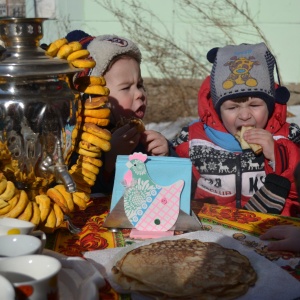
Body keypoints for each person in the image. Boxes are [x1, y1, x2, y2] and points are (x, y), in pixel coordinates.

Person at [172, 42, 300, 217]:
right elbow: (172, 183)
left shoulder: (288, 138)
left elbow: (296, 197)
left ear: (270, 106)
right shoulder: (193, 140)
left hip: (270, 231)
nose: (245, 115)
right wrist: (163, 152)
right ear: (218, 111)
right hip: (212, 232)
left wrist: (279, 157)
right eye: (232, 108)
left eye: (255, 105)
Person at [65, 30, 175, 193]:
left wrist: (167, 154)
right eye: (125, 88)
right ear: (94, 95)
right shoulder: (77, 142)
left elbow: (167, 186)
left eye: (139, 85)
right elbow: (76, 191)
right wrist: (110, 160)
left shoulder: (141, 140)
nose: (139, 94)